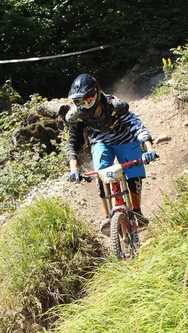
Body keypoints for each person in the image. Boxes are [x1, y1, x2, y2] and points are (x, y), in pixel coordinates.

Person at [63, 73, 158, 234]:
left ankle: (136, 211)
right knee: (102, 173)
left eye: (89, 100)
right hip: (100, 141)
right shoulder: (76, 116)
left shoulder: (115, 105)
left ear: (97, 94)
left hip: (125, 139)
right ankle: (108, 217)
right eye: (79, 102)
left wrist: (149, 149)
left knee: (133, 172)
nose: (85, 105)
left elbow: (136, 125)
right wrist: (74, 169)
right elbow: (73, 143)